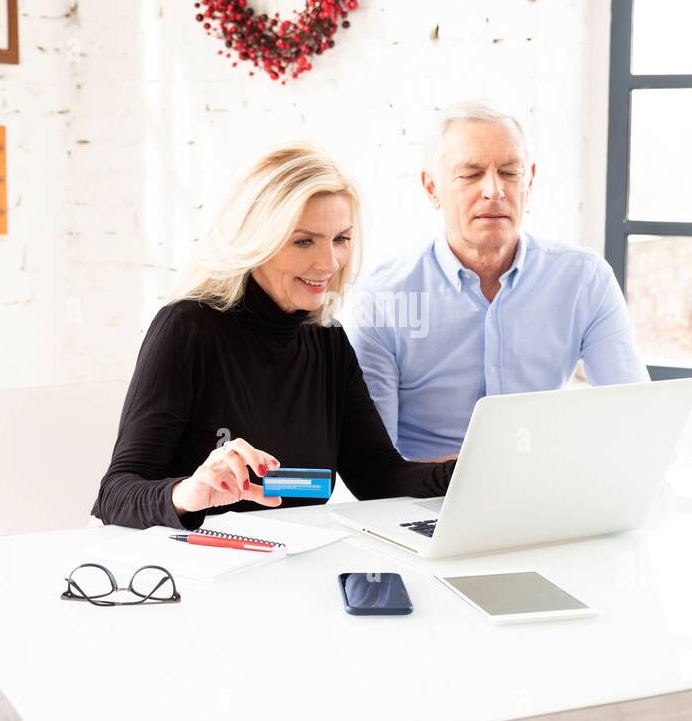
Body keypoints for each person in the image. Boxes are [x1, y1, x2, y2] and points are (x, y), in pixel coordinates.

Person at [91, 143, 454, 531]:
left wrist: (474, 474)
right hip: (197, 571)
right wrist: (188, 492)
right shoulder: (188, 328)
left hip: (293, 567)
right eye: (303, 241)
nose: (329, 263)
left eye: (341, 239)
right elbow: (116, 495)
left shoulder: (326, 340)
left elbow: (379, 476)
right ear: (257, 239)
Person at [347, 101, 649, 463]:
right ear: (431, 188)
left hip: (542, 495)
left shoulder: (584, 279)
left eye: (510, 172)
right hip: (423, 501)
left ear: (530, 180)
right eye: (470, 174)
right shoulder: (384, 297)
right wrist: (484, 475)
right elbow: (372, 462)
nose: (494, 190)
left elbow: (635, 421)